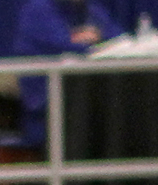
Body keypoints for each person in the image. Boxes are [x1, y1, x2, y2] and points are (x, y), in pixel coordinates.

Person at [13, 0, 125, 146]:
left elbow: (119, 42)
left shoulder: (91, 9)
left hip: (96, 101)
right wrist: (92, 40)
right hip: (49, 108)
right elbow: (67, 46)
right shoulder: (38, 10)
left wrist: (96, 38)